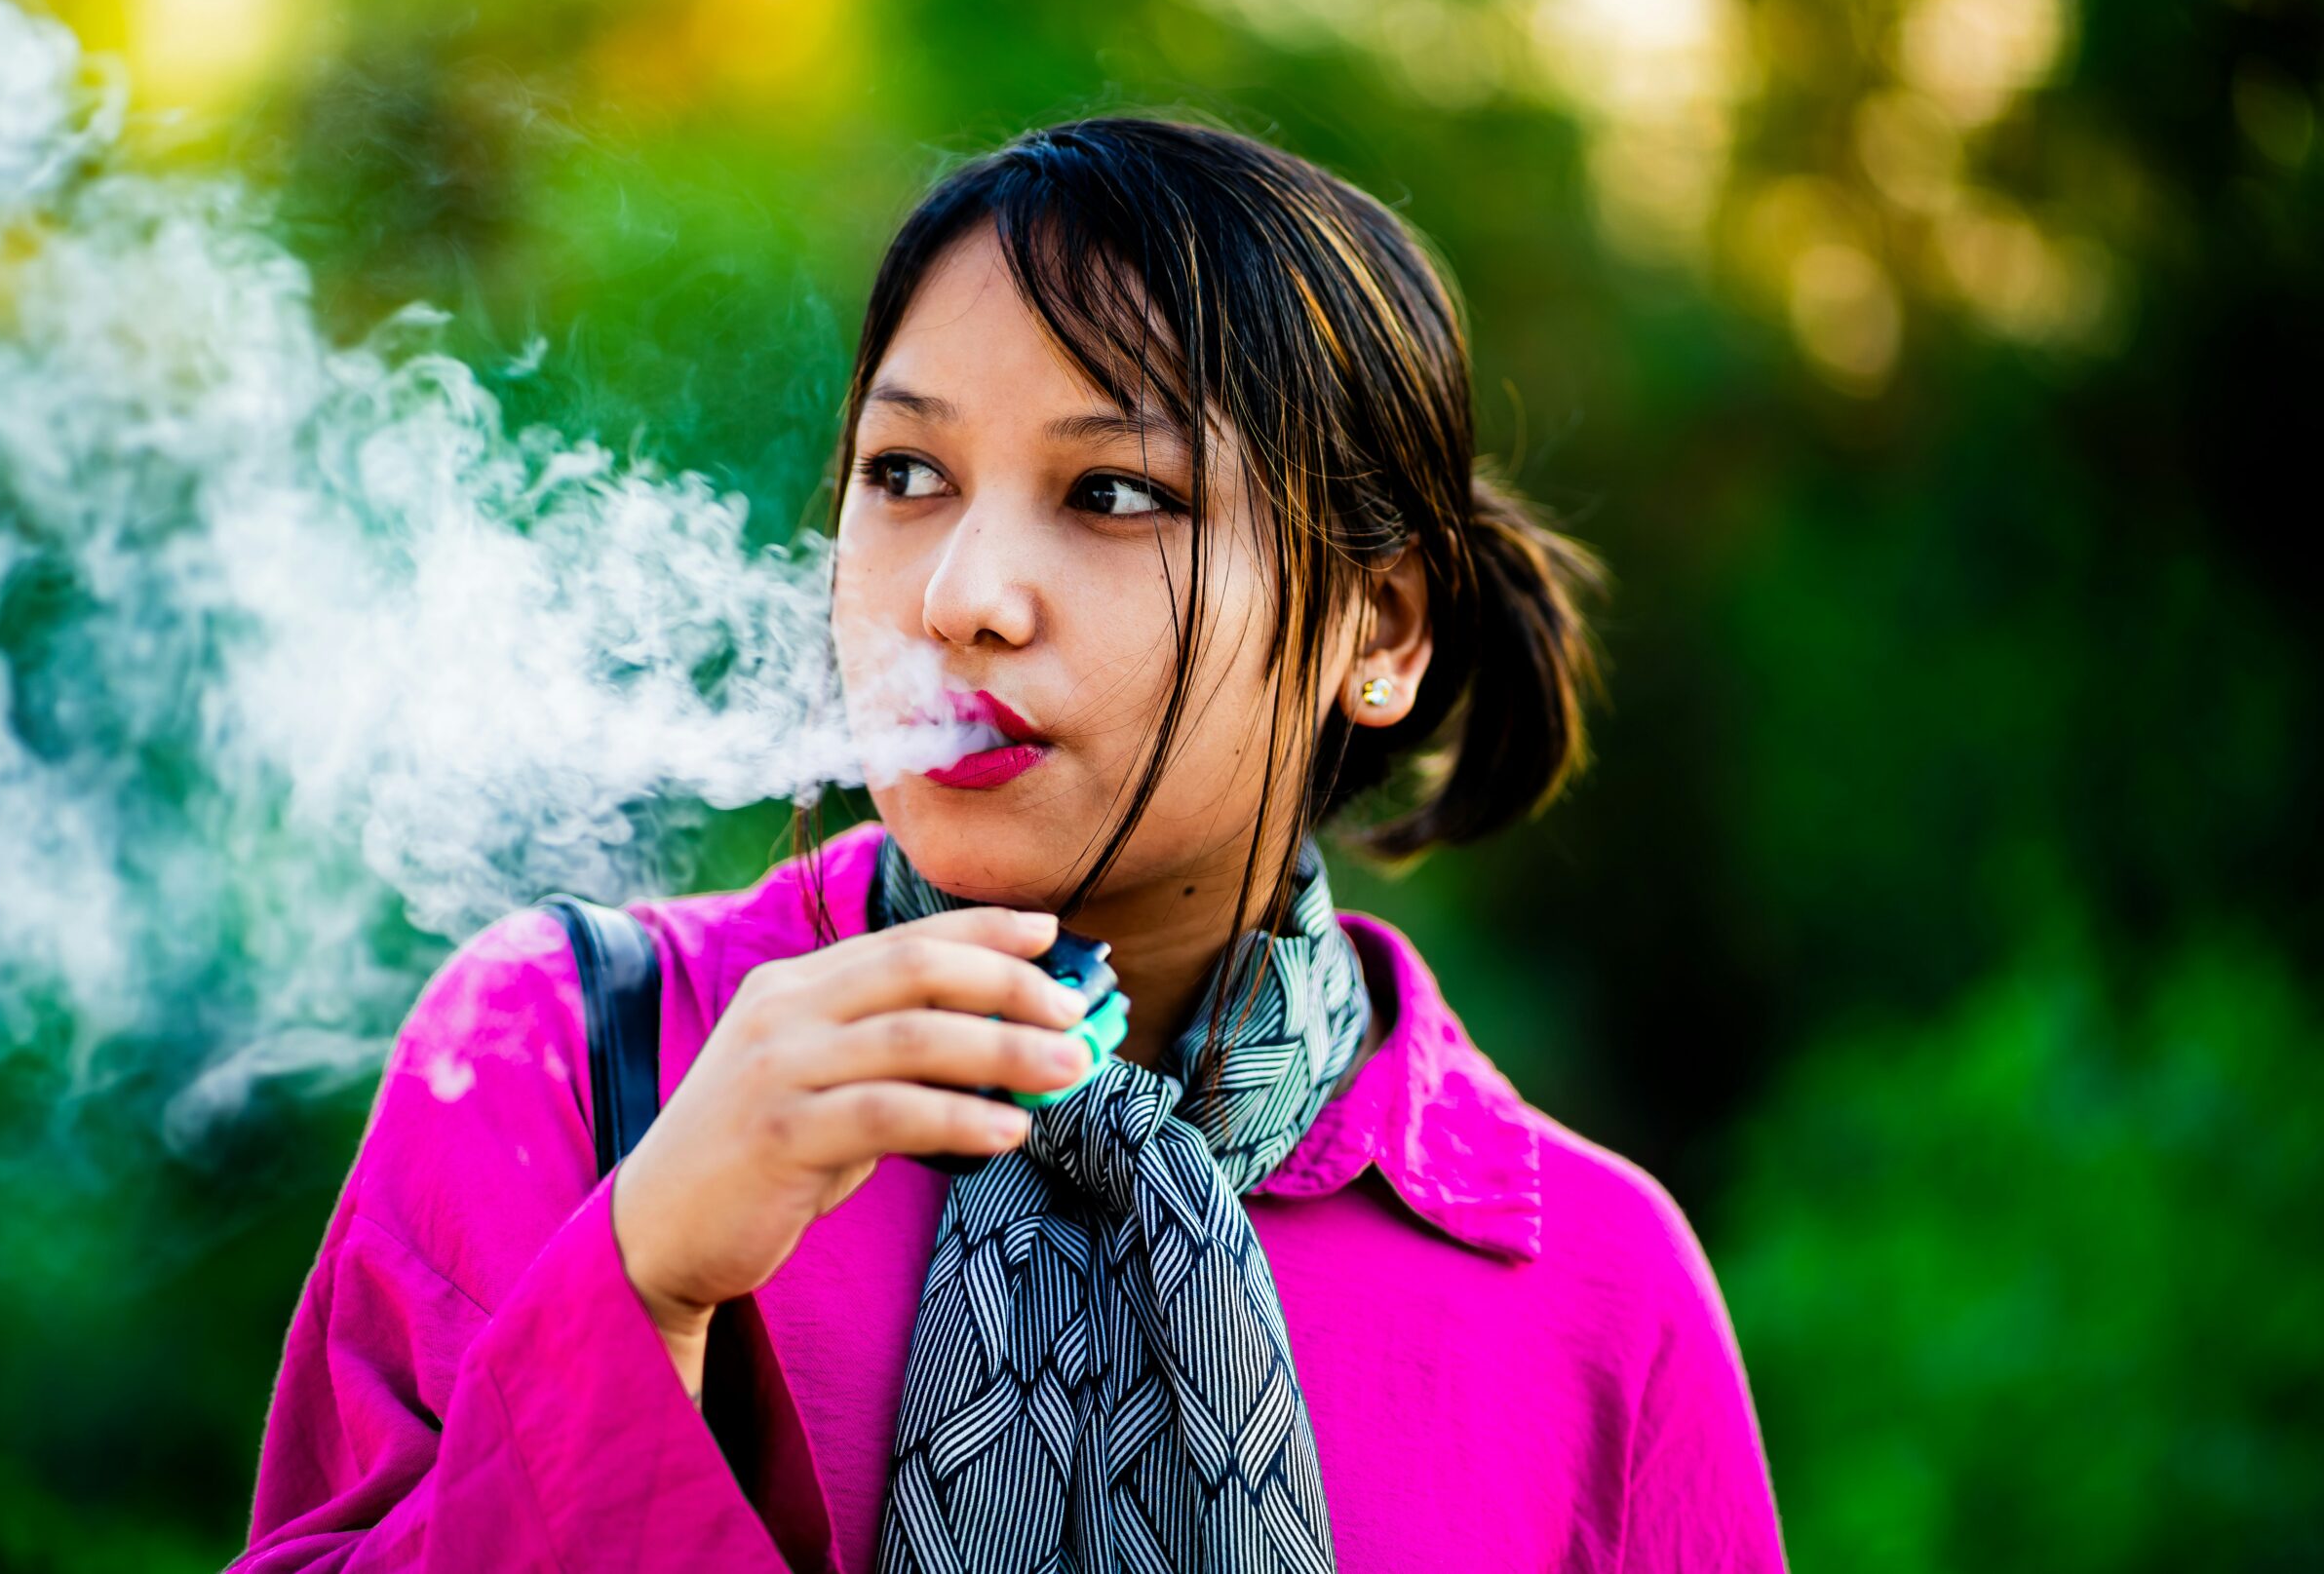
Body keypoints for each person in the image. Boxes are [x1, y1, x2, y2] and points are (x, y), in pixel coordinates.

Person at [233, 114, 1789, 1572]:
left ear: (1375, 629)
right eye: (906, 475)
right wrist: (639, 1285)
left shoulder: (1594, 1289)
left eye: (1113, 493)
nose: (961, 596)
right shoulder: (567, 1062)